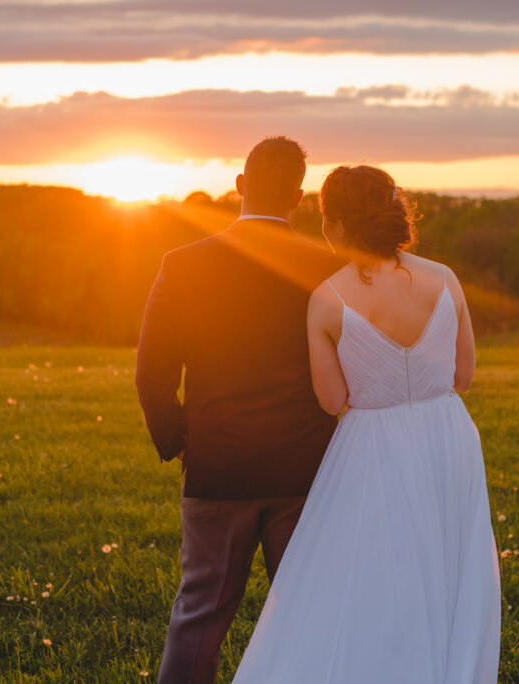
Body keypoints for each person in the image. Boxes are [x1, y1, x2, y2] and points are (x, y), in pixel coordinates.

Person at [232, 165, 501, 683]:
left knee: (374, 572)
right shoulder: (445, 278)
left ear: (333, 225)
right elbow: (463, 376)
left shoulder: (326, 300)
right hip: (447, 436)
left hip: (373, 443)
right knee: (451, 564)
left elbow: (332, 399)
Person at [134, 136, 345, 684]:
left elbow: (153, 374)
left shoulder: (182, 265)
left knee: (200, 615)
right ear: (298, 197)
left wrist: (182, 440)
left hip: (218, 466)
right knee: (307, 614)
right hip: (304, 470)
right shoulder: (329, 270)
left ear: (240, 186)